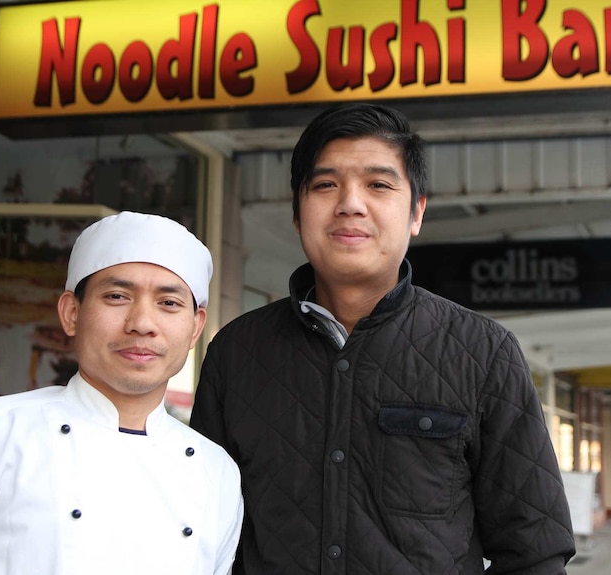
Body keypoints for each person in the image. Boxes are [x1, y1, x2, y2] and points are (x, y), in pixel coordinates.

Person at [191, 103, 575, 574]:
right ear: (297, 213)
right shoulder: (236, 353)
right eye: (326, 184)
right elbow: (203, 535)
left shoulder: (484, 352)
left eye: (378, 185)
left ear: (416, 212)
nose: (350, 203)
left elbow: (534, 550)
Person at [0, 211, 243, 575]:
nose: (142, 324)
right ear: (71, 313)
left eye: (169, 303)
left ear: (195, 329)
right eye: (117, 296)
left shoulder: (216, 471)